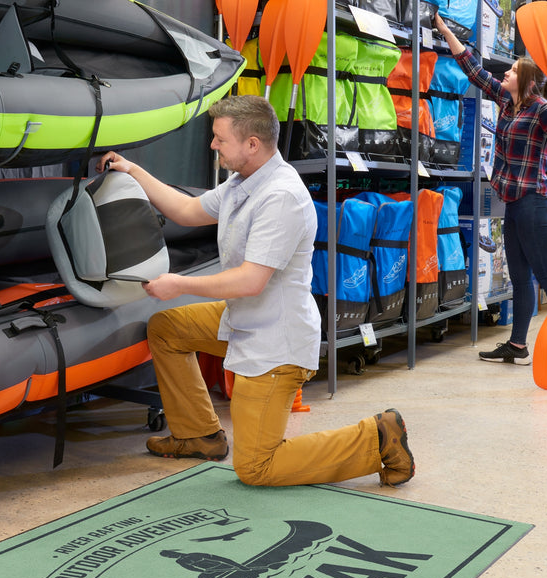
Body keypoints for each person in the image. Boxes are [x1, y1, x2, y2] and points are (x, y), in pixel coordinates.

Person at [96, 95, 414, 488]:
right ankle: (198, 435)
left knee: (256, 467)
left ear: (252, 144)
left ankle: (376, 438)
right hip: (244, 318)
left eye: (219, 139)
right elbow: (187, 210)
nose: (212, 145)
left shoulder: (280, 197)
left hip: (275, 343)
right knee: (167, 329)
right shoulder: (242, 182)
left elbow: (250, 281)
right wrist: (133, 171)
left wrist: (178, 284)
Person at [435, 12, 547, 366]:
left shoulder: (543, 109)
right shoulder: (505, 103)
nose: (504, 74)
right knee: (519, 278)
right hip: (513, 203)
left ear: (526, 81)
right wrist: (444, 29)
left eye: (511, 71)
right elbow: (474, 70)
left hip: (536, 203)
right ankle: (517, 346)